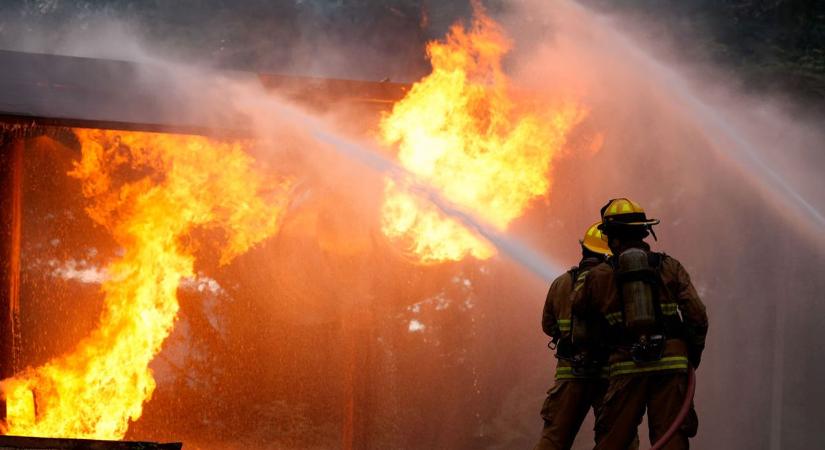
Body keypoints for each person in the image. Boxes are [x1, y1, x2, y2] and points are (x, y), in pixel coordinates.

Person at [572, 198, 709, 450]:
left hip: (625, 364)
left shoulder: (598, 276)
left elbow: (579, 310)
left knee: (613, 439)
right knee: (671, 438)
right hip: (672, 363)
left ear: (611, 238)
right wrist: (691, 353)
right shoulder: (670, 267)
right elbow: (697, 315)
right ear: (645, 231)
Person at [534, 222, 637, 450]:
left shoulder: (561, 282)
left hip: (570, 373)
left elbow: (547, 325)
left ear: (584, 250)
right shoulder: (614, 280)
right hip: (609, 375)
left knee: (553, 439)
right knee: (618, 440)